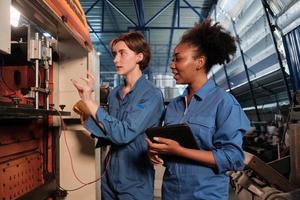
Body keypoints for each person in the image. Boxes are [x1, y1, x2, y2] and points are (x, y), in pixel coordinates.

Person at [146, 19, 250, 200]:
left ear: (199, 62)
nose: (172, 65)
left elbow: (233, 158)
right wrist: (157, 152)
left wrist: (180, 151)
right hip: (171, 194)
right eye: (173, 59)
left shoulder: (223, 103)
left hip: (205, 195)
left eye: (178, 59)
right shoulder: (174, 106)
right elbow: (170, 149)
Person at [72, 32, 164, 199]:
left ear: (139, 57)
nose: (115, 60)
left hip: (135, 178)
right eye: (115, 54)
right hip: (110, 174)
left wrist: (90, 101)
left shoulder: (151, 95)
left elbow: (123, 134)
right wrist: (86, 114)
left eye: (123, 53)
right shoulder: (115, 93)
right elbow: (110, 133)